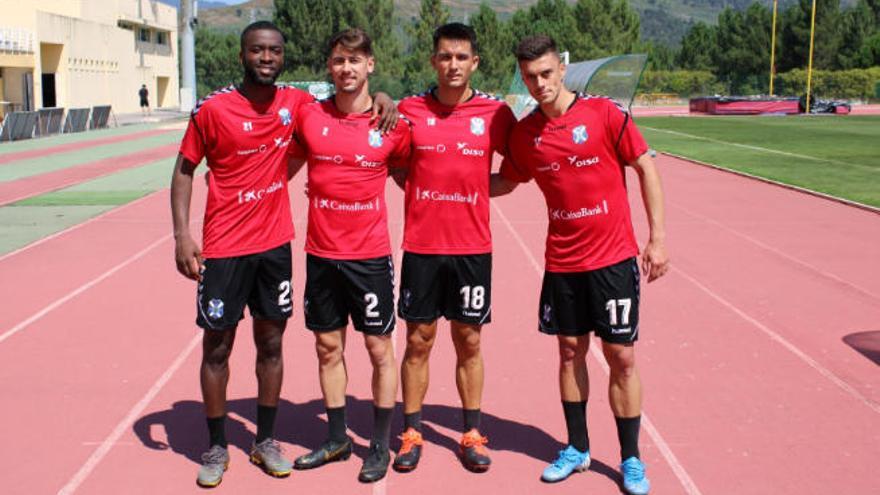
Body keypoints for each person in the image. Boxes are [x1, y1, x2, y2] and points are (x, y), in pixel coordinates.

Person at [170, 20, 396, 488]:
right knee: (218, 346)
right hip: (224, 248)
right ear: (242, 55)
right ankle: (215, 446)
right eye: (257, 50)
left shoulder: (298, 104)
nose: (266, 58)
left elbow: (347, 101)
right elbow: (184, 170)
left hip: (275, 247)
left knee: (271, 344)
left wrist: (384, 98)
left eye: (274, 51)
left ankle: (265, 441)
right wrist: (181, 236)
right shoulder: (212, 110)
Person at [490, 35, 669, 495]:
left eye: (546, 73)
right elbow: (507, 182)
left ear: (562, 69)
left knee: (621, 357)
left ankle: (631, 458)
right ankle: (577, 447)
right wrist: (441, 181)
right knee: (569, 351)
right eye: (530, 76)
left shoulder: (604, 114)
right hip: (563, 263)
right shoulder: (527, 133)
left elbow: (646, 167)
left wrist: (658, 239)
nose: (539, 83)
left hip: (612, 260)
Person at [285, 28, 410, 483]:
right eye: (339, 61)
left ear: (370, 65)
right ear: (329, 67)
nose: (346, 69)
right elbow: (285, 165)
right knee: (327, 347)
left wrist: (386, 97)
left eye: (355, 61)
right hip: (321, 255)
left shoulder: (391, 124)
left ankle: (379, 444)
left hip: (370, 258)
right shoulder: (308, 116)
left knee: (379, 348)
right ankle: (337, 438)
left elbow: (412, 172)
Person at [390, 22, 516, 474]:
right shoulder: (408, 110)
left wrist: (481, 191)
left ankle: (471, 433)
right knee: (418, 341)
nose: (453, 65)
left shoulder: (495, 114)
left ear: (474, 62)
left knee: (469, 340)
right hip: (422, 248)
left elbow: (517, 168)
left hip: (471, 249)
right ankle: (411, 432)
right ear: (433, 61)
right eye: (445, 56)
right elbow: (396, 166)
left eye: (462, 57)